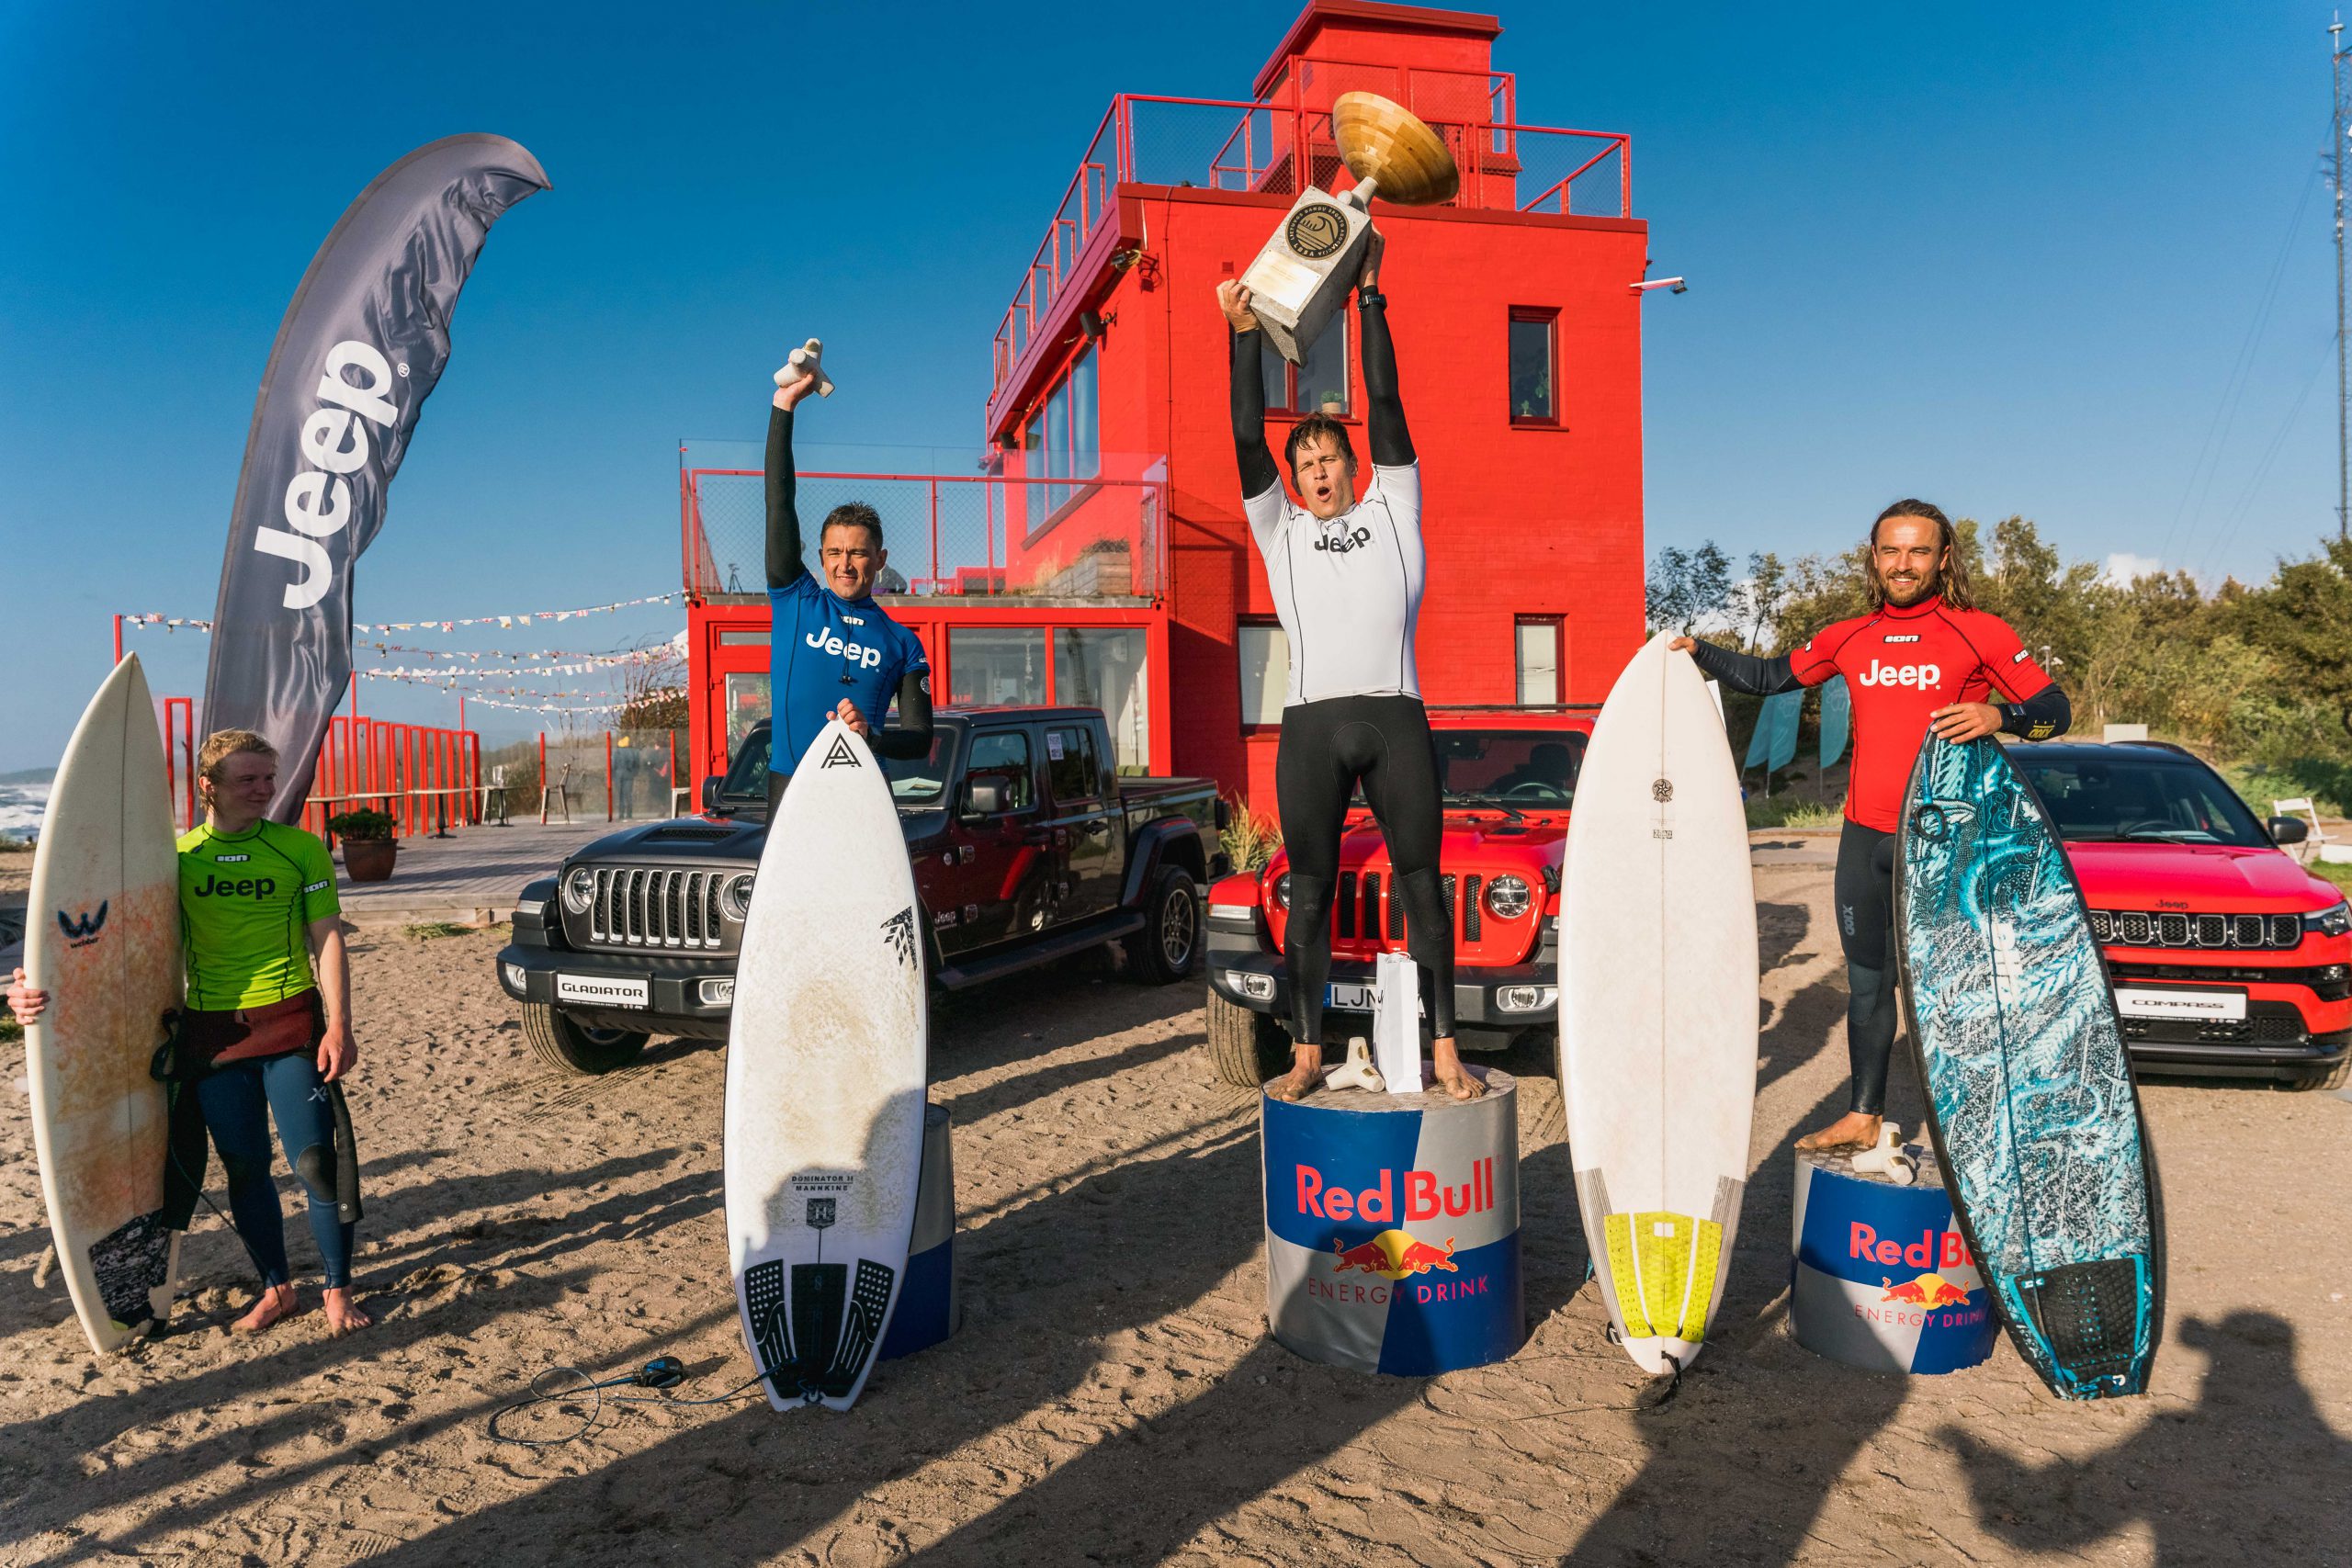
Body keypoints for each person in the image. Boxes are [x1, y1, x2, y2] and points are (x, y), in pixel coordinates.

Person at [1671, 500, 2072, 1152]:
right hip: (1864, 838)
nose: (1903, 564)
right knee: (1866, 984)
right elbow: (1769, 677)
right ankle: (1863, 1114)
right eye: (1891, 550)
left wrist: (2001, 716)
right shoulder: (1849, 636)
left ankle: (1980, 1132)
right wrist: (1698, 651)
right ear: (1875, 557)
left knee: (1958, 990)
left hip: (1946, 840)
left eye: (1919, 550)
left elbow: (2056, 708)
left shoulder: (1981, 632)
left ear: (1943, 558)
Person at [1220, 230, 1481, 1103]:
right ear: (1293, 479)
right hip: (1312, 726)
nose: (1317, 469)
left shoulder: (1395, 504)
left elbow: (1387, 397)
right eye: (1305, 463)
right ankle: (1304, 1052)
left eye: (1329, 457)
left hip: (1396, 715)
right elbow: (1246, 435)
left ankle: (1446, 1050)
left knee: (1423, 887)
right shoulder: (1280, 529)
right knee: (1309, 892)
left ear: (1353, 464)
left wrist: (1370, 295)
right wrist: (1242, 334)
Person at [8, 730, 369, 1335]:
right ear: (209, 786)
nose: (264, 790)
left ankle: (337, 1288)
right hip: (212, 1036)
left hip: (289, 1025)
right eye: (248, 779)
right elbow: (104, 945)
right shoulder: (174, 861)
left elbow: (327, 937)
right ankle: (277, 1289)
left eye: (268, 777)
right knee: (245, 1167)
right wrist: (32, 984)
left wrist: (339, 1024)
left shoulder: (299, 849)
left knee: (315, 1164)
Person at [763, 355, 933, 810]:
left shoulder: (903, 643)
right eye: (835, 553)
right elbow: (780, 503)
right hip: (790, 791)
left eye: (857, 553)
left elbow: (919, 738)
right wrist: (784, 406)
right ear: (820, 558)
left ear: (880, 559)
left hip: (864, 799)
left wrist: (872, 737)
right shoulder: (797, 600)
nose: (845, 565)